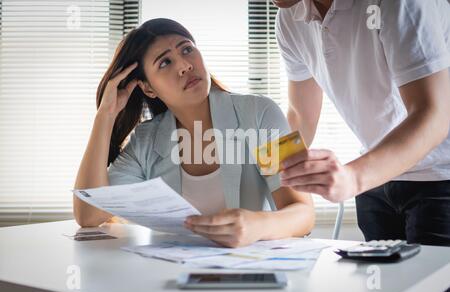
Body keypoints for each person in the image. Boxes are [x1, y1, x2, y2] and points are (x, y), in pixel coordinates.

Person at [73, 18, 315, 248]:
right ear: (148, 88)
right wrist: (105, 117)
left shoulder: (262, 113)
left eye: (186, 49)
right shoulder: (144, 141)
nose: (184, 65)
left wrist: (257, 226)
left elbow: (304, 213)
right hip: (172, 279)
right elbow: (89, 214)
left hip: (250, 274)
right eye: (165, 62)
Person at [273, 0, 450, 245]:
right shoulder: (290, 18)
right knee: (386, 283)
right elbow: (301, 114)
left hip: (441, 179)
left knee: (435, 284)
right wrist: (261, 170)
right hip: (374, 183)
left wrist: (352, 178)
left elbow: (434, 115)